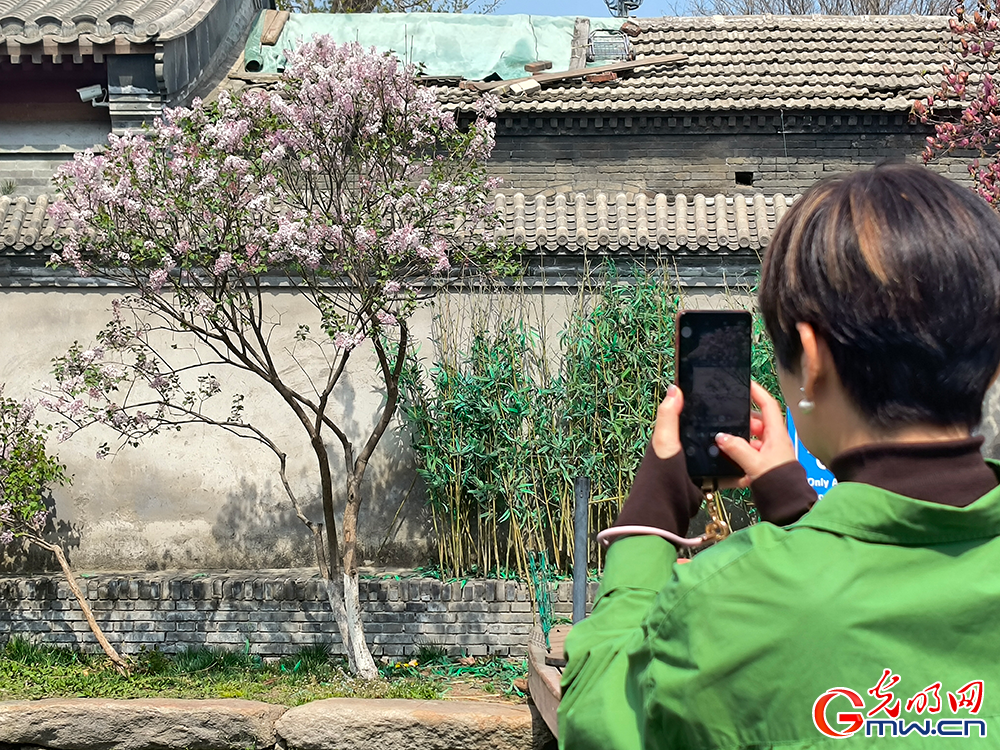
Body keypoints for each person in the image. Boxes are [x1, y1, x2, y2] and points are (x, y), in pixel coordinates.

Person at [558, 164, 1000, 749]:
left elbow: (599, 717)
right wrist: (799, 512)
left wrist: (653, 513)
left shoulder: (735, 603)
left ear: (811, 360)